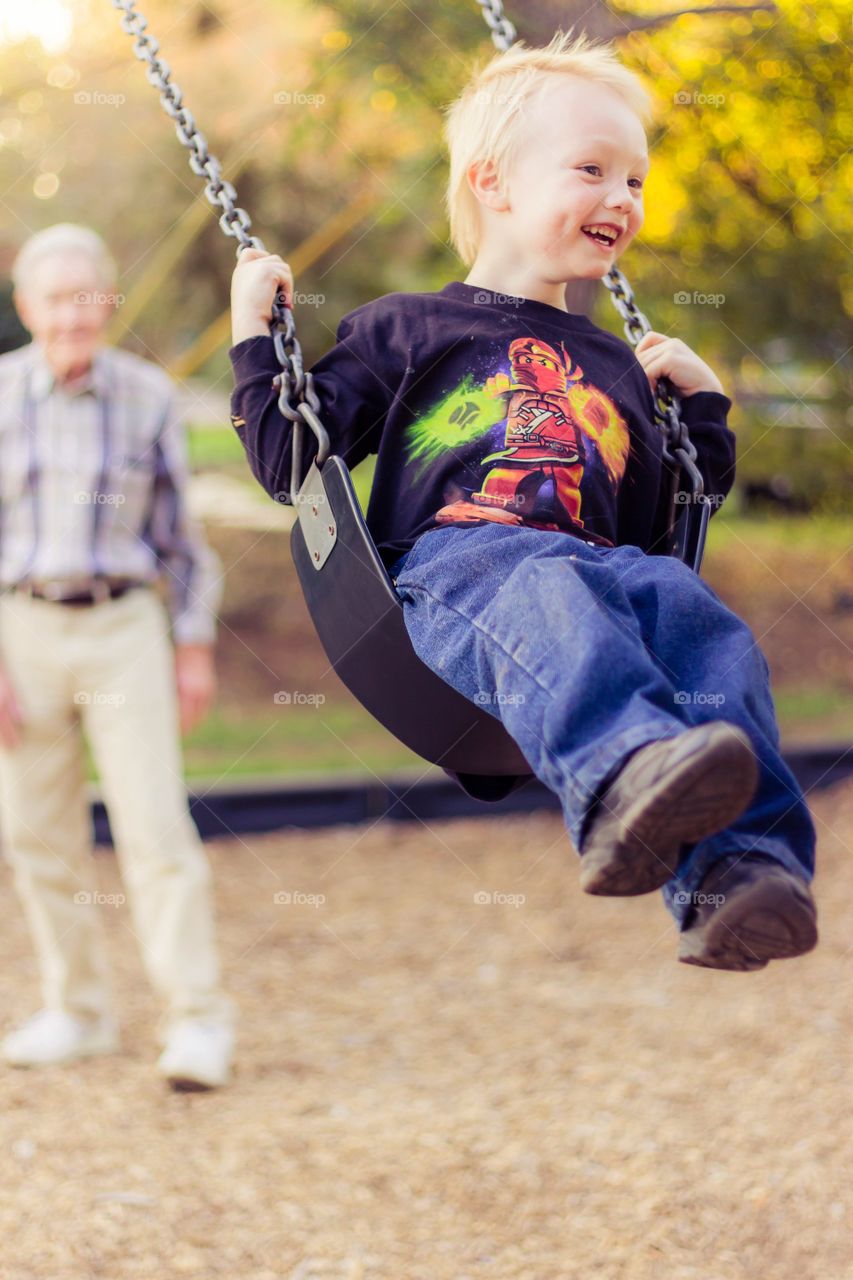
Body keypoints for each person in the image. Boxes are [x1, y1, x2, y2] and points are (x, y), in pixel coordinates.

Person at [226, 32, 818, 971]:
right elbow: (289, 459)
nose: (622, 198)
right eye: (592, 170)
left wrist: (702, 411)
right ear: (492, 182)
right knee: (549, 588)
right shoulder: (405, 327)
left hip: (597, 565)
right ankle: (620, 777)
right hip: (459, 570)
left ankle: (741, 874)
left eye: (635, 180)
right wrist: (253, 332)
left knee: (702, 624)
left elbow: (667, 523)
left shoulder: (617, 366)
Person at [0, 224, 236, 1085]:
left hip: (123, 627)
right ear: (26, 306)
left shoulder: (148, 397)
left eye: (86, 297)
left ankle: (197, 1021)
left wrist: (193, 645)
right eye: (54, 299)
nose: (72, 315)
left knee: (155, 828)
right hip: (19, 630)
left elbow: (181, 541)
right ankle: (78, 1011)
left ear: (107, 303)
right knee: (35, 834)